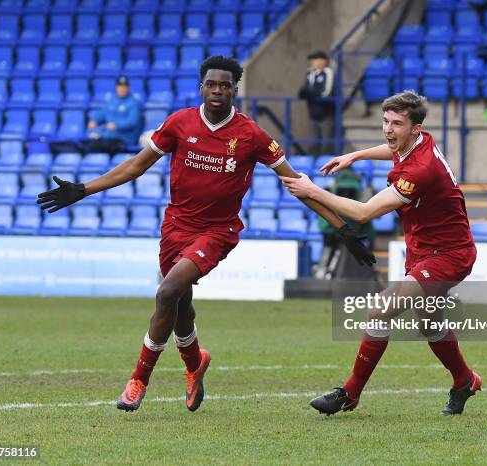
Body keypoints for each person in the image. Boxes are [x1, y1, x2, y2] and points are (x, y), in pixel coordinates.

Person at [36, 56, 375, 413]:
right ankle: (195, 363)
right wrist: (84, 189)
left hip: (217, 230)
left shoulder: (251, 135)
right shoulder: (179, 123)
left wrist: (343, 228)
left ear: (234, 90)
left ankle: (138, 380)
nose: (217, 91)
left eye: (225, 85)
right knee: (179, 304)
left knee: (167, 291)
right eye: (211, 84)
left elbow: (297, 184)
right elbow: (136, 165)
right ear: (202, 87)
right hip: (175, 227)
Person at [280, 90, 482, 416]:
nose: (388, 129)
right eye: (385, 121)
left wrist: (312, 190)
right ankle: (464, 381)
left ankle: (350, 392)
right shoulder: (416, 143)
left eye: (397, 123)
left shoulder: (421, 170)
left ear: (415, 127)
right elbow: (393, 151)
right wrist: (355, 156)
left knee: (380, 309)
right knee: (430, 324)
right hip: (423, 250)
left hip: (449, 254)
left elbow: (363, 213)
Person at [87, 76, 143, 149]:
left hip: (124, 139)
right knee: (89, 145)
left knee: (101, 146)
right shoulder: (112, 101)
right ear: (116, 87)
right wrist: (94, 120)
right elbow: (102, 113)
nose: (122, 89)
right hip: (108, 137)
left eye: (124, 86)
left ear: (128, 88)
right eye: (120, 86)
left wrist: (116, 125)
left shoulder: (134, 103)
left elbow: (132, 122)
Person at [298, 51, 335, 156]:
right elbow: (303, 91)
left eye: (315, 59)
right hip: (312, 113)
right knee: (312, 144)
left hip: (326, 113)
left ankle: (325, 168)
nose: (312, 62)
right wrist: (308, 93)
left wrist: (310, 94)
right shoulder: (310, 73)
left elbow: (326, 92)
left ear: (322, 61)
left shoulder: (328, 72)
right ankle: (312, 169)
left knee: (326, 145)